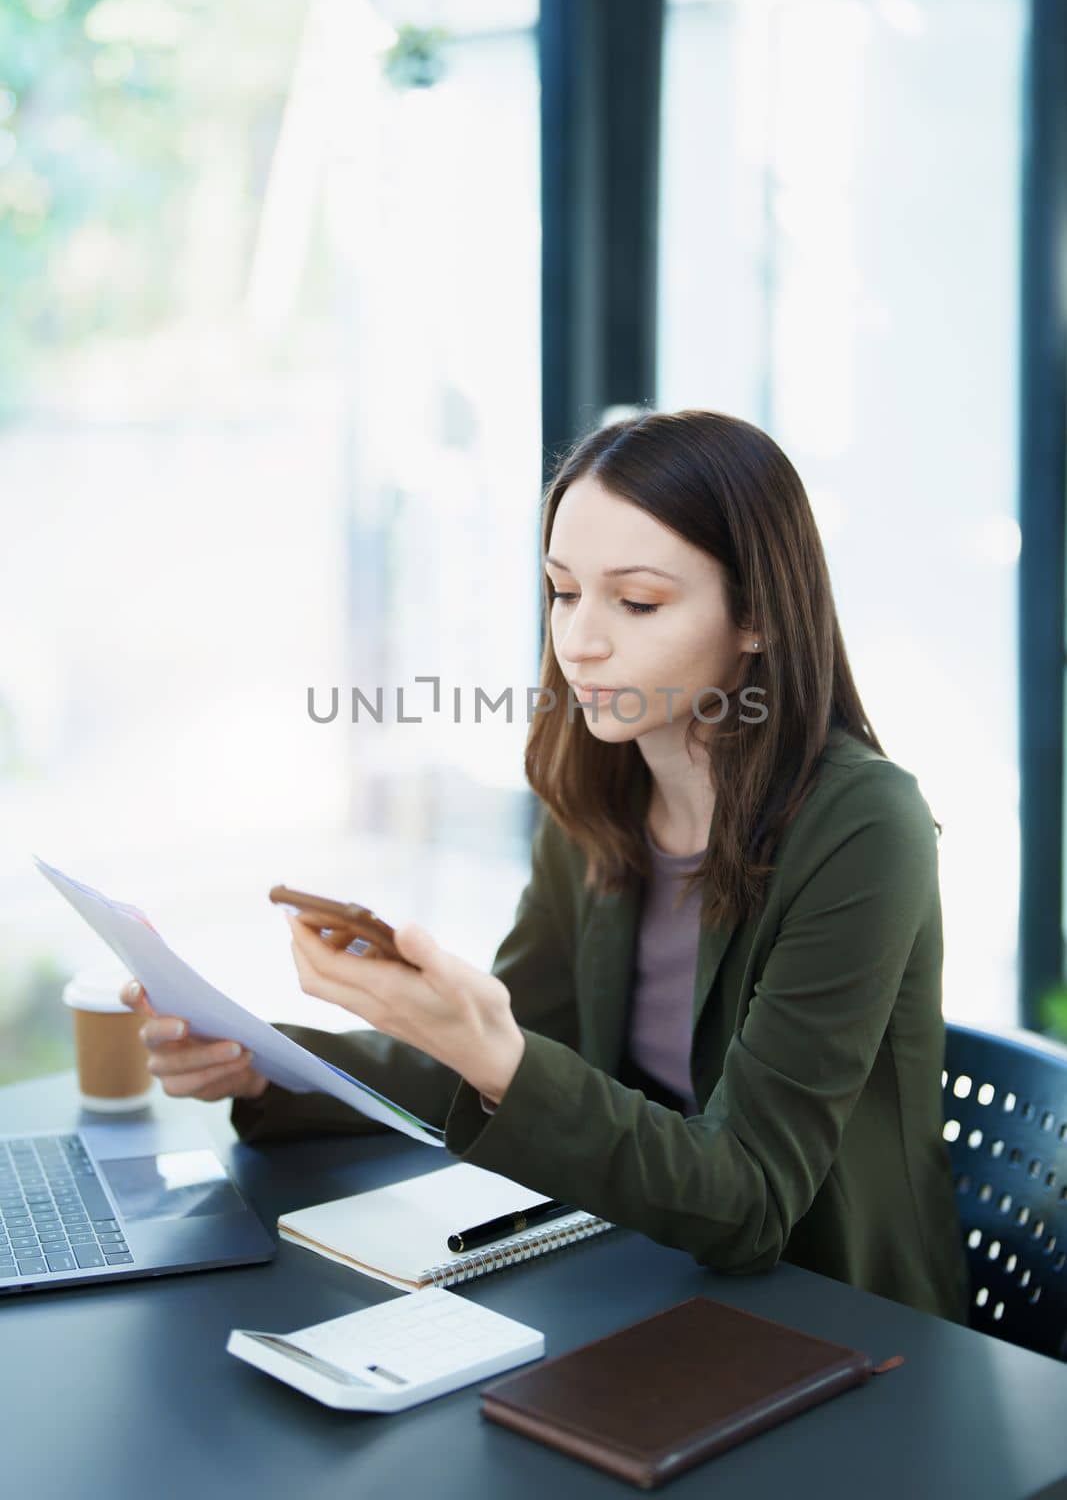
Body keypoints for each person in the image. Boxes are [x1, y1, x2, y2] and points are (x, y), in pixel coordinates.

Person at [121, 409, 971, 1324]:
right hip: (648, 1276)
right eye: (563, 592)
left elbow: (752, 1199)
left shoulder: (862, 826)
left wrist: (493, 1050)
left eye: (636, 602)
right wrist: (266, 1062)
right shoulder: (596, 799)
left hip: (847, 1322)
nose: (581, 640)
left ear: (757, 616)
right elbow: (514, 1051)